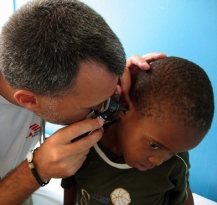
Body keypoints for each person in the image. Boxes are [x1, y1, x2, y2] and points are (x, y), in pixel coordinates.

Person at [0, 0, 165, 204]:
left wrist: (119, 81)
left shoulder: (31, 53)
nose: (105, 108)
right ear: (29, 101)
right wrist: (36, 170)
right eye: (92, 106)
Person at [62, 56, 215, 205]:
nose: (158, 161)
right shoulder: (82, 145)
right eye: (154, 145)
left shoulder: (176, 163)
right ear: (124, 106)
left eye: (172, 152)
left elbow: (182, 198)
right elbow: (70, 183)